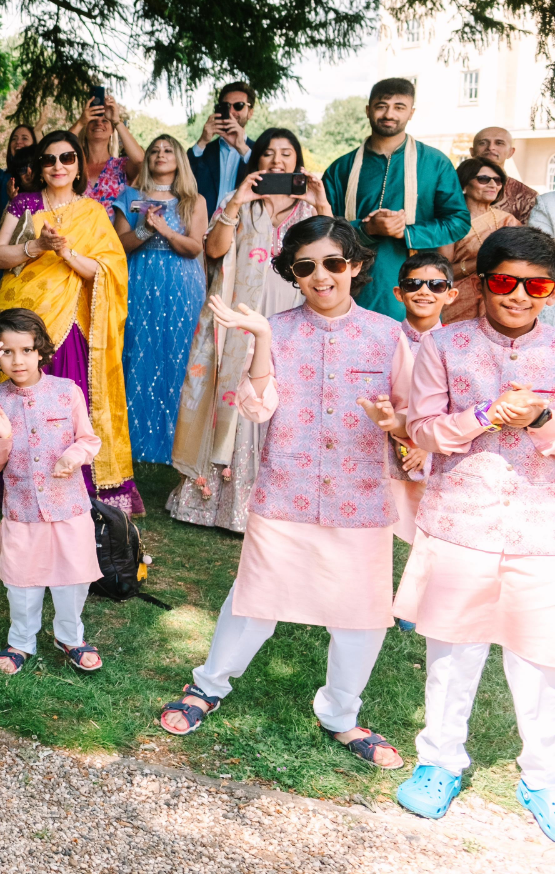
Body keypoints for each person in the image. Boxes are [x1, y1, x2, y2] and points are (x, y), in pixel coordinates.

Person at [157, 216, 409, 771]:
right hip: (286, 491)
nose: (322, 276)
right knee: (253, 599)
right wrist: (265, 340)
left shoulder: (390, 336)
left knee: (360, 616)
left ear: (357, 265)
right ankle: (208, 686)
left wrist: (395, 421)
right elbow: (257, 407)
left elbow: (412, 417)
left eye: (334, 263)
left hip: (359, 497)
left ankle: (341, 714)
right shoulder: (274, 327)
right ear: (293, 275)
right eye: (307, 267)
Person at [376, 226, 555, 840]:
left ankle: (544, 776)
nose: (520, 296)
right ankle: (440, 761)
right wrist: (481, 418)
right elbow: (420, 431)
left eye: (538, 286)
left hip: (541, 526)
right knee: (452, 654)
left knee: (540, 659)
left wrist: (542, 419)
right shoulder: (446, 346)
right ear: (482, 283)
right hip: (460, 519)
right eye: (506, 281)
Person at [167, 128, 333, 530]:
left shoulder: (311, 209)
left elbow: (334, 254)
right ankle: (216, 497)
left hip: (292, 314)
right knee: (232, 394)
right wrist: (238, 200)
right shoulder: (241, 203)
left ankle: (279, 499)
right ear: (256, 162)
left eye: (286, 154)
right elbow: (214, 250)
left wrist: (322, 202)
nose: (277, 161)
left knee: (284, 394)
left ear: (297, 161)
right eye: (269, 154)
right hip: (239, 316)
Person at [0, 131, 141, 513]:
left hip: (70, 318)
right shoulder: (24, 203)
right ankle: (19, 475)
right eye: (49, 159)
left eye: (67, 158)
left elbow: (107, 269)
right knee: (20, 394)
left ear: (78, 166)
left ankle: (75, 476)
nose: (58, 166)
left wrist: (67, 252)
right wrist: (37, 247)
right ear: (38, 167)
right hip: (25, 315)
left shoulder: (92, 212)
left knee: (67, 399)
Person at [0, 308, 105, 675]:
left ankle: (70, 636)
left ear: (40, 351)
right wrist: (3, 438)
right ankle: (21, 641)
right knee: (22, 580)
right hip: (21, 509)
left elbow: (88, 438)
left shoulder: (68, 392)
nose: (16, 360)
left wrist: (72, 456)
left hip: (68, 506)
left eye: (25, 350)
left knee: (73, 577)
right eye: (6, 351)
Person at [321, 78, 471, 319]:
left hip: (417, 285)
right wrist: (366, 229)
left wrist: (407, 232)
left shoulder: (435, 163)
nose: (389, 113)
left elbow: (458, 220)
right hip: (357, 285)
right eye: (381, 105)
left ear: (411, 113)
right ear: (368, 110)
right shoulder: (341, 168)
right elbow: (323, 228)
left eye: (399, 107)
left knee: (414, 353)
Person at [110, 134, 207, 464]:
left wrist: (165, 230)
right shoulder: (131, 197)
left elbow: (195, 248)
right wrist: (146, 231)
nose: (161, 155)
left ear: (179, 159)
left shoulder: (193, 201)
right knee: (139, 351)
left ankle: (180, 444)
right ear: (147, 159)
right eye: (154, 151)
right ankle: (135, 440)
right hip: (140, 279)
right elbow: (120, 244)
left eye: (168, 150)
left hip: (181, 282)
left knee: (181, 353)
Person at [385, 251, 457, 548]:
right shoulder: (384, 339)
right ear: (399, 293)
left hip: (436, 449)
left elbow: (457, 406)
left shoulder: (456, 347)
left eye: (436, 286)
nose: (424, 291)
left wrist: (425, 449)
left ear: (450, 295)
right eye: (413, 284)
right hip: (385, 446)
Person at [439, 157, 519, 324]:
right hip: (457, 300)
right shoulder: (450, 222)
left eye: (497, 180)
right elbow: (442, 273)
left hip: (501, 297)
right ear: (464, 186)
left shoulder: (508, 221)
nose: (492, 185)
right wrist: (483, 261)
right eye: (484, 179)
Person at [69, 93, 145, 215]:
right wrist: (80, 122)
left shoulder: (121, 165)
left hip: (114, 233)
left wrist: (116, 121)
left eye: (105, 121)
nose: (99, 123)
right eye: (93, 120)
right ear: (85, 127)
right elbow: (55, 150)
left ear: (112, 130)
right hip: (75, 232)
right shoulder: (73, 165)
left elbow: (140, 160)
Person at [189, 82, 257, 216]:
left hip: (243, 229)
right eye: (225, 107)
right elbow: (182, 178)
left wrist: (242, 148)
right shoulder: (204, 149)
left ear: (250, 113)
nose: (231, 112)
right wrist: (202, 141)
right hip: (204, 228)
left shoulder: (258, 151)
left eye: (238, 106)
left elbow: (265, 182)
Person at [468, 125, 537, 223]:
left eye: (499, 143)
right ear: (472, 151)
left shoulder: (526, 196)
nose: (491, 147)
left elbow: (532, 237)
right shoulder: (452, 187)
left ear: (511, 152)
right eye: (482, 143)